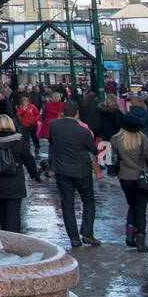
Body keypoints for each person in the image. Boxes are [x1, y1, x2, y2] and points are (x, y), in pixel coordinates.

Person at [49, 100, 100, 248]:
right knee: (88, 200)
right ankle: (87, 233)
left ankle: (74, 237)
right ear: (77, 113)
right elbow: (93, 149)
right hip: (81, 170)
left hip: (62, 170)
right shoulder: (83, 131)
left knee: (67, 204)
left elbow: (52, 142)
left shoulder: (54, 126)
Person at [0, 114, 41, 233]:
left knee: (2, 208)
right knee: (14, 213)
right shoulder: (18, 140)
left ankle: (5, 234)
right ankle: (13, 238)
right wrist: (35, 175)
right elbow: (28, 159)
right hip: (15, 180)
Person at [111, 113, 148, 252]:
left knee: (132, 204)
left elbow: (106, 159)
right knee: (140, 209)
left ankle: (130, 234)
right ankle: (140, 240)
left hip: (125, 177)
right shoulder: (143, 140)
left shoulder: (115, 139)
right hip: (141, 178)